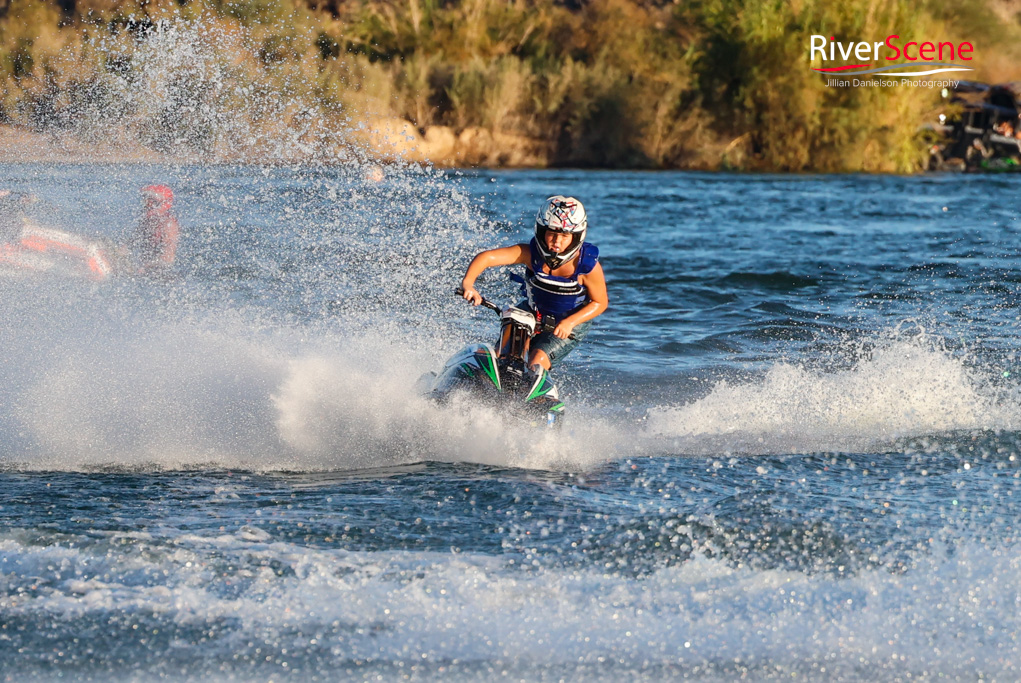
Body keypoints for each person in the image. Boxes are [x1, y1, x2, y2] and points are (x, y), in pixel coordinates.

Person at [460, 195, 608, 371]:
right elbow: (486, 258)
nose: (557, 242)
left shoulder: (586, 267)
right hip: (532, 312)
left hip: (568, 324)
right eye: (552, 233)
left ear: (576, 236)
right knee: (504, 355)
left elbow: (600, 302)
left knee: (536, 361)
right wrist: (468, 284)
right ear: (541, 230)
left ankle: (535, 390)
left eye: (564, 235)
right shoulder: (529, 254)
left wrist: (570, 322)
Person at [129, 184, 180, 272]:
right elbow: (130, 245)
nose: (147, 203)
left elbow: (167, 258)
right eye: (145, 199)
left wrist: (144, 267)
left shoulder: (168, 225)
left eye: (152, 200)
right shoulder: (146, 222)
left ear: (162, 203)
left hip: (162, 274)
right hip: (144, 269)